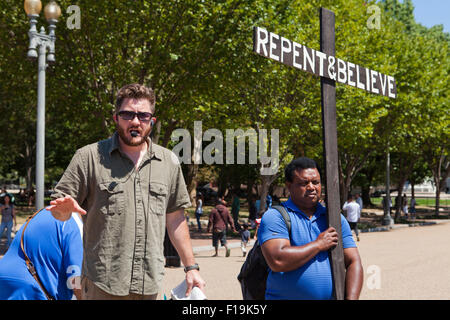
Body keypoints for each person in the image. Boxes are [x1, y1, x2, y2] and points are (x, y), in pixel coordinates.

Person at [47, 83, 205, 300]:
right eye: (127, 114)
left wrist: (191, 268)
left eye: (143, 115)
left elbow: (175, 219)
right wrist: (63, 211)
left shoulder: (168, 162)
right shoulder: (88, 157)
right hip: (102, 283)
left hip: (149, 283)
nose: (135, 121)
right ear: (116, 118)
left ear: (152, 121)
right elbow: (58, 209)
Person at [258, 157, 363, 300]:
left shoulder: (334, 219)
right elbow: (278, 260)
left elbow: (353, 261)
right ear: (289, 186)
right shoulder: (276, 216)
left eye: (316, 182)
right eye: (303, 183)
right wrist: (318, 245)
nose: (311, 187)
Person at [0, 209, 83, 300]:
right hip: (29, 288)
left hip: (7, 279)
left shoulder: (46, 211)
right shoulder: (74, 225)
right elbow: (75, 279)